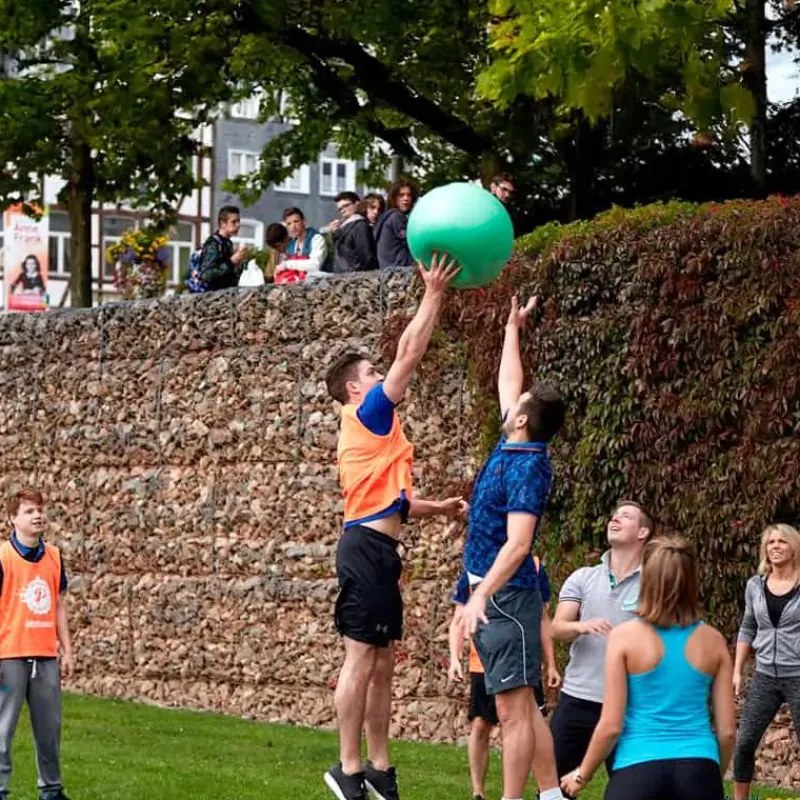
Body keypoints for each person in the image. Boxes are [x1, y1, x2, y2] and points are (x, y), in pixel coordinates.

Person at [323, 254, 467, 800]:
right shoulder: (369, 413)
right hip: (364, 549)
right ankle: (347, 767)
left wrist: (440, 508)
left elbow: (393, 504)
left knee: (383, 662)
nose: (382, 377)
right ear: (356, 390)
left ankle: (380, 769)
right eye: (373, 375)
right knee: (361, 659)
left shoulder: (375, 432)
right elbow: (410, 351)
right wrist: (433, 293)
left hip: (381, 549)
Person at [457, 296, 566, 800]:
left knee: (512, 710)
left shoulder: (527, 467)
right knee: (522, 705)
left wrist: (481, 594)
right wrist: (511, 329)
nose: (512, 401)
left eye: (519, 406)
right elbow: (510, 383)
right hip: (494, 594)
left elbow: (520, 544)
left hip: (508, 597)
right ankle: (549, 794)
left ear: (523, 421)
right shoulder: (514, 443)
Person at [561, 537, 737, 800]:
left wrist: (581, 776)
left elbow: (610, 725)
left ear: (648, 579)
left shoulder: (623, 637)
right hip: (699, 768)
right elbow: (727, 731)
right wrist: (712, 772)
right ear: (692, 579)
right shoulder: (713, 641)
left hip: (637, 769)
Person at [549, 502, 653, 790]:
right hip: (577, 699)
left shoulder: (654, 583)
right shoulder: (584, 577)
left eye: (626, 516)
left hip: (631, 704)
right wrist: (580, 626)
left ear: (643, 531)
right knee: (553, 790)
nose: (615, 518)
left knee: (633, 791)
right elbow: (557, 628)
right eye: (614, 514)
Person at [448, 556, 561, 800]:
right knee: (483, 723)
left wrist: (551, 663)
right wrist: (454, 657)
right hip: (483, 663)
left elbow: (542, 617)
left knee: (528, 715)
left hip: (517, 657)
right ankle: (479, 791)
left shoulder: (534, 564)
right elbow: (460, 617)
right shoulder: (474, 568)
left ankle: (545, 793)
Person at [0, 488, 73, 800]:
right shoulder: (2, 556)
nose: (37, 515)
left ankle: (51, 790)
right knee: (2, 730)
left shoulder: (54, 556)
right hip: (9, 656)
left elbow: (58, 605)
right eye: (29, 511)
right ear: (12, 518)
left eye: (40, 510)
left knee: (49, 730)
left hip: (45, 656)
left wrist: (67, 649)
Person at [731, 523, 800, 800]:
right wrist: (737, 670)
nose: (775, 547)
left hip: (798, 674)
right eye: (770, 542)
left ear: (794, 547)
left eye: (781, 542)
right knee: (745, 742)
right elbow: (748, 626)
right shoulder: (755, 585)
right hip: (764, 676)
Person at [186, 205, 251, 292]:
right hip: (210, 297)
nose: (238, 225)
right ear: (223, 223)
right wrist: (231, 261)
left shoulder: (228, 243)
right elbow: (206, 275)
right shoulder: (213, 244)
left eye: (238, 221)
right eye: (234, 222)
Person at [277, 206, 331, 283]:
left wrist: (287, 264)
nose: (293, 226)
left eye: (296, 221)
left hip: (321, 284)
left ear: (304, 222)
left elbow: (315, 265)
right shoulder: (292, 245)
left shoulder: (317, 239)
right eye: (289, 224)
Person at [329, 192, 378, 273]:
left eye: (346, 206)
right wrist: (334, 234)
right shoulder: (346, 226)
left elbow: (366, 258)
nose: (342, 210)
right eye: (340, 209)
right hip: (348, 278)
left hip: (353, 277)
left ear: (357, 204)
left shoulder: (360, 225)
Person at [375, 181, 417, 269]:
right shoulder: (396, 217)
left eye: (409, 195)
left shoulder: (386, 217)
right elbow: (411, 243)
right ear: (394, 198)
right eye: (401, 195)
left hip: (388, 272)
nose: (406, 198)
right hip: (400, 271)